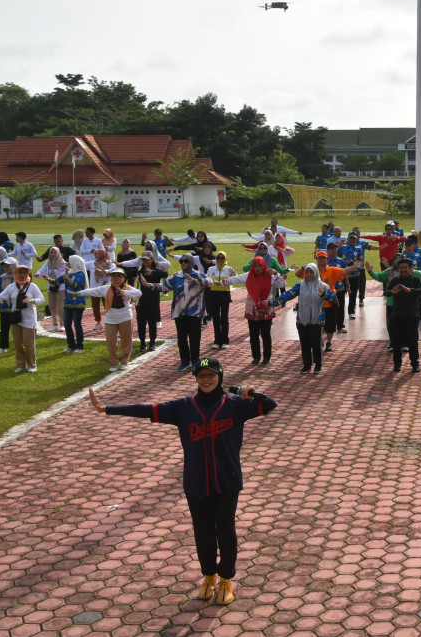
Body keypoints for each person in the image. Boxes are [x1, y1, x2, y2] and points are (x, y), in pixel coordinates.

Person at [88, 357, 275, 606]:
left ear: (220, 377)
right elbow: (146, 410)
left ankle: (226, 579)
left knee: (226, 531)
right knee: (203, 532)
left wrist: (252, 393)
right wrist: (108, 409)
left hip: (227, 481)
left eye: (211, 375)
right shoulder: (183, 407)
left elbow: (270, 404)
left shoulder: (236, 405)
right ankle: (209, 575)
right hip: (196, 482)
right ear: (196, 379)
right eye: (201, 376)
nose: (206, 380)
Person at [0, 260, 46, 374]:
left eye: (24, 273)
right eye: (20, 273)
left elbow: (42, 299)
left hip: (29, 319)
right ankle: (21, 365)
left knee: (29, 344)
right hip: (16, 318)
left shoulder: (32, 287)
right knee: (17, 343)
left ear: (28, 274)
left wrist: (32, 300)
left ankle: (32, 364)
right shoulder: (12, 287)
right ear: (16, 274)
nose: (22, 275)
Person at [148, 254, 210, 371]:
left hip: (195, 313)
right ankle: (184, 360)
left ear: (191, 262)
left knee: (194, 338)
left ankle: (195, 360)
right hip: (179, 313)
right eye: (181, 261)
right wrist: (149, 285)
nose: (183, 263)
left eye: (186, 261)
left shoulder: (198, 274)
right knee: (181, 339)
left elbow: (209, 282)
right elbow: (164, 286)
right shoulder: (176, 276)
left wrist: (195, 281)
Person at [75, 267, 142, 372]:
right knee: (111, 342)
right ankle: (114, 363)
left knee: (126, 341)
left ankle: (125, 361)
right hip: (110, 319)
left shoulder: (128, 288)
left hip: (125, 318)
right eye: (113, 275)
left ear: (123, 277)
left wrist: (124, 292)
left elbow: (139, 293)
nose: (115, 278)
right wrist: (78, 293)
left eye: (118, 276)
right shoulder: (106, 288)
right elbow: (92, 291)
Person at [223, 257, 282, 368]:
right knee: (254, 335)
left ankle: (267, 357)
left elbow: (282, 284)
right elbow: (233, 280)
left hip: (266, 310)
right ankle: (256, 357)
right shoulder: (248, 276)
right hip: (252, 310)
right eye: (255, 265)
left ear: (264, 265)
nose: (258, 268)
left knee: (265, 335)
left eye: (260, 265)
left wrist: (276, 273)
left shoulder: (270, 276)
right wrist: (218, 282)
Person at [385, 258, 421, 373]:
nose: (403, 270)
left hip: (412, 314)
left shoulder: (415, 279)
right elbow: (386, 292)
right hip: (397, 314)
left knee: (413, 340)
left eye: (405, 268)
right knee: (396, 340)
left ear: (410, 268)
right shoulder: (395, 280)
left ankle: (414, 364)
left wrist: (411, 290)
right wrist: (392, 292)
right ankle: (397, 363)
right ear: (398, 269)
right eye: (401, 268)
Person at [206, 252, 237, 350]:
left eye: (222, 258)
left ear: (225, 259)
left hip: (224, 295)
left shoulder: (229, 269)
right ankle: (217, 341)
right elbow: (206, 279)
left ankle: (225, 340)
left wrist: (234, 275)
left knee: (224, 318)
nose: (220, 260)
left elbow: (237, 279)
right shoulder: (211, 269)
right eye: (218, 258)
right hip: (213, 294)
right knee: (215, 319)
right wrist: (212, 281)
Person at [36, 246, 68, 333]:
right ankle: (54, 324)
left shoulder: (62, 262)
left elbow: (66, 274)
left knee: (60, 307)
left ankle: (62, 324)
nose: (53, 254)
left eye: (54, 253)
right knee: (52, 306)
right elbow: (41, 270)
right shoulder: (48, 262)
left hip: (60, 287)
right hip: (51, 287)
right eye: (51, 253)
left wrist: (55, 279)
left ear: (58, 253)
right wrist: (38, 274)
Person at [60, 255, 88, 354]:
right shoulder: (69, 272)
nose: (69, 263)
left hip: (78, 303)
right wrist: (48, 279)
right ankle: (71, 345)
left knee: (77, 324)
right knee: (67, 324)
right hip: (67, 302)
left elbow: (76, 285)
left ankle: (79, 346)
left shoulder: (80, 274)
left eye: (70, 261)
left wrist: (67, 277)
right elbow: (58, 281)